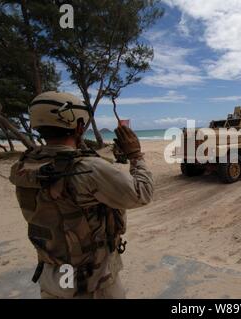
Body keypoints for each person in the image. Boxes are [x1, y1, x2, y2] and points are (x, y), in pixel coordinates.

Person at [9, 91, 154, 299]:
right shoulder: (89, 169)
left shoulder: (24, 166)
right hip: (91, 280)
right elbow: (143, 193)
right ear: (78, 127)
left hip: (51, 272)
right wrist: (136, 156)